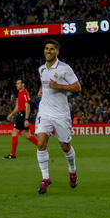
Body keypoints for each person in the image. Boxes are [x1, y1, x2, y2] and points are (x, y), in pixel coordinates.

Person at [35, 39, 82, 194]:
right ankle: (45, 178)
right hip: (44, 111)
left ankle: (72, 170)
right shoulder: (42, 69)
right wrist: (42, 89)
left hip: (61, 113)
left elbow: (77, 87)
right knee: (41, 143)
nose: (48, 51)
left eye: (52, 49)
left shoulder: (64, 68)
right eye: (46, 48)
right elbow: (46, 81)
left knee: (64, 146)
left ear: (57, 52)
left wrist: (59, 86)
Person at [3, 79, 39, 159]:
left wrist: (26, 119)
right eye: (16, 83)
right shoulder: (20, 93)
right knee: (27, 135)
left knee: (14, 132)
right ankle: (42, 146)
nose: (17, 85)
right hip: (21, 114)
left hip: (22, 115)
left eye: (18, 83)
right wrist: (11, 114)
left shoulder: (25, 93)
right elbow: (18, 106)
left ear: (23, 84)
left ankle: (13, 154)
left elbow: (27, 106)